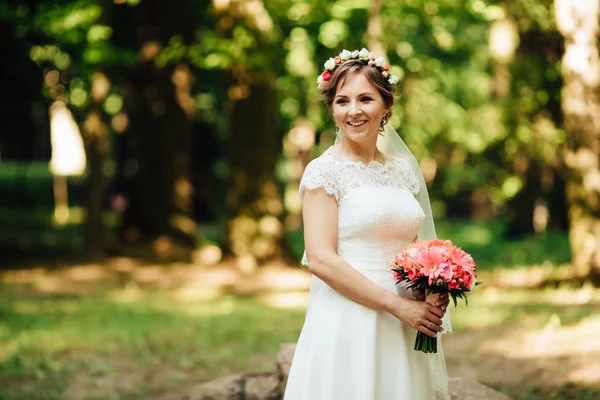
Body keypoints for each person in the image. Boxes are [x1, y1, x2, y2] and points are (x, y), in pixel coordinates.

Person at [283, 48, 452, 400]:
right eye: (342, 101)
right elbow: (321, 259)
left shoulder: (402, 171)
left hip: (406, 322)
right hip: (350, 319)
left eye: (365, 98)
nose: (354, 111)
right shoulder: (324, 172)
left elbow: (416, 247)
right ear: (332, 109)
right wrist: (396, 305)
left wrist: (432, 286)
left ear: (386, 105)